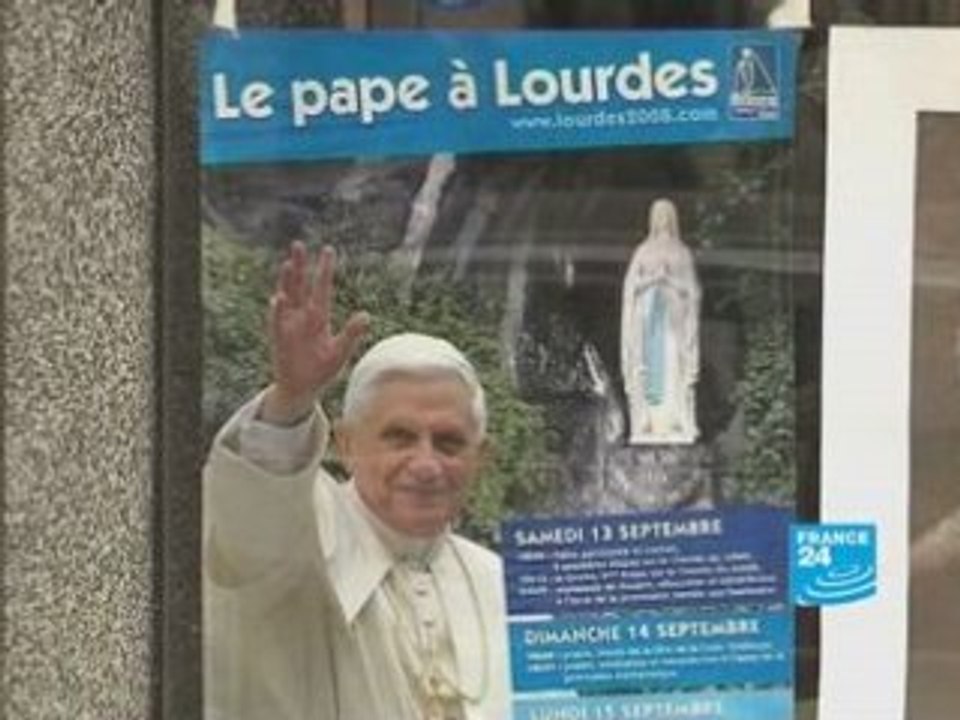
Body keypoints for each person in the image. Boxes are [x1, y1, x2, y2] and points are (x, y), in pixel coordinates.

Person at [203, 242, 510, 720]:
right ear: (345, 444)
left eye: (449, 443)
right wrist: (292, 401)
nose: (426, 465)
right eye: (399, 438)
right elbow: (250, 527)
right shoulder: (301, 541)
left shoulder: (500, 584)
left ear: (482, 457)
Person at [620, 198, 701, 445]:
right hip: (648, 324)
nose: (662, 219)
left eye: (667, 214)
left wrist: (670, 281)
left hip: (673, 323)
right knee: (649, 368)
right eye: (658, 214)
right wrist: (653, 279)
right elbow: (630, 288)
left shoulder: (682, 252)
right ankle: (649, 422)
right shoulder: (643, 252)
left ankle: (676, 420)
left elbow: (693, 290)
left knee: (674, 368)